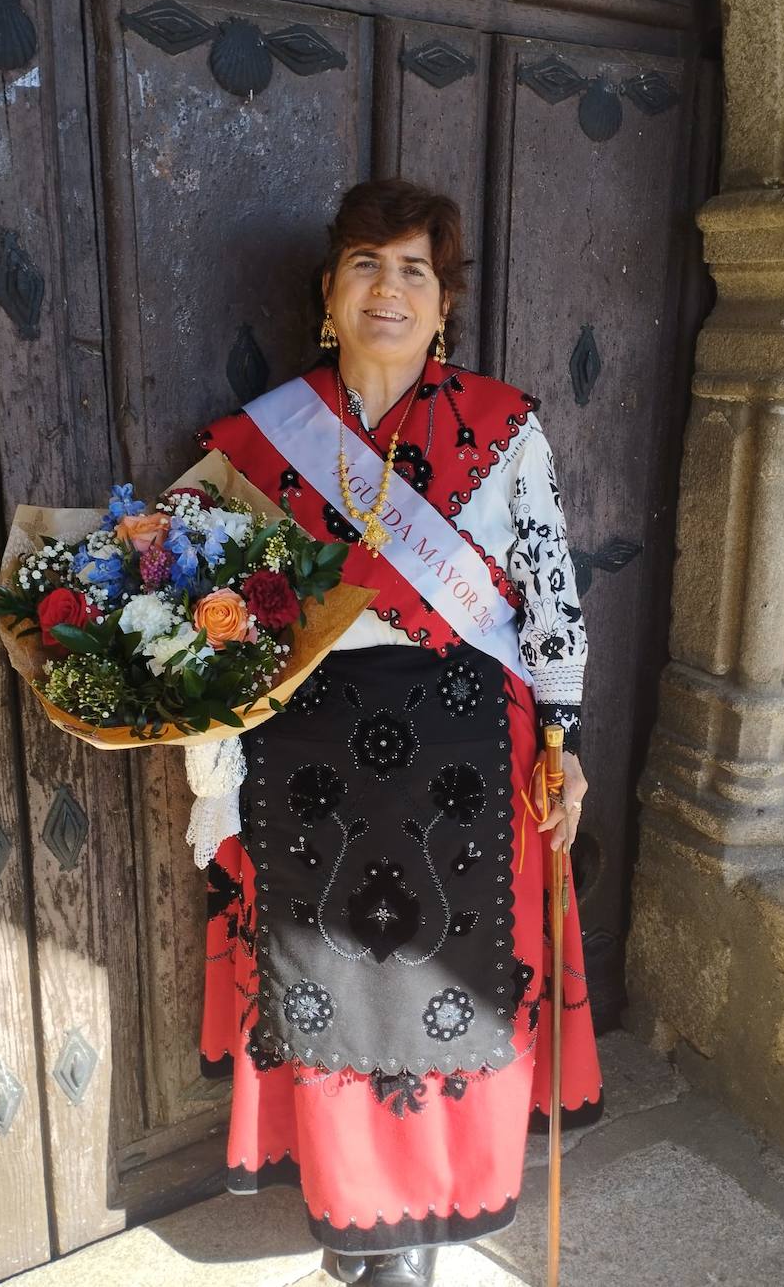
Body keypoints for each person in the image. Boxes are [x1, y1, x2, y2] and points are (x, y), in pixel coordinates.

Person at [196, 179, 602, 1287]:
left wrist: (563, 739)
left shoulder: (503, 424)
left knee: (445, 988)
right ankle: (349, 1204)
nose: (391, 287)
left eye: (416, 269)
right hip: (309, 753)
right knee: (330, 976)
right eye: (368, 264)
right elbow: (206, 598)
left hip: (469, 746)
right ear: (331, 294)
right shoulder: (260, 442)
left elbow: (550, 592)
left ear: (442, 303)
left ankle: (417, 1229)